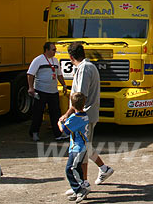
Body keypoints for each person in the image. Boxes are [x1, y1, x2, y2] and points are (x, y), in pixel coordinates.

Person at [60, 42, 114, 196]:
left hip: (84, 116)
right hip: (88, 115)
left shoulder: (84, 69)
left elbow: (79, 97)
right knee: (86, 147)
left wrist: (67, 114)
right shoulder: (88, 66)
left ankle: (83, 183)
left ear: (71, 57)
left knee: (81, 151)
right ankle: (104, 169)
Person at [27, 42, 68, 141]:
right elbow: (30, 74)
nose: (55, 51)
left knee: (55, 113)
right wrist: (31, 87)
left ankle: (58, 134)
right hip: (41, 91)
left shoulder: (55, 60)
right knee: (38, 113)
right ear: (47, 50)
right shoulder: (38, 60)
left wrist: (64, 85)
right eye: (53, 49)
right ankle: (34, 132)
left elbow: (59, 74)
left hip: (53, 91)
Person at [58, 92, 90, 203]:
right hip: (80, 147)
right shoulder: (84, 115)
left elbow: (64, 130)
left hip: (77, 148)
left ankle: (80, 189)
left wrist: (59, 122)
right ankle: (79, 190)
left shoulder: (75, 118)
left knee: (71, 169)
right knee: (77, 169)